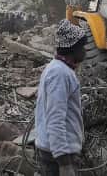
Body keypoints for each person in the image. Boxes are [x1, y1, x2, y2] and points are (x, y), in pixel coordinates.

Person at [35, 20, 86, 176]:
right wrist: (64, 163)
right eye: (82, 47)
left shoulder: (59, 69)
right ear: (73, 48)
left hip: (56, 152)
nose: (85, 51)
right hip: (57, 156)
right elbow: (55, 119)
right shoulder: (60, 74)